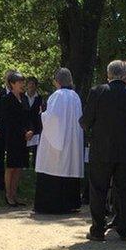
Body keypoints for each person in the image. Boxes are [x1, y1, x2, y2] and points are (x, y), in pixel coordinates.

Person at [81, 60, 126, 241]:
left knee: (98, 190)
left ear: (108, 75)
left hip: (102, 150)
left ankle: (97, 230)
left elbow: (85, 121)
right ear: (125, 75)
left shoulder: (97, 92)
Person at [34, 68, 84, 214]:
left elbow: (53, 117)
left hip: (57, 140)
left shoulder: (57, 95)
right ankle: (69, 203)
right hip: (72, 140)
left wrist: (42, 115)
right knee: (69, 166)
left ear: (57, 81)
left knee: (53, 166)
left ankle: (50, 205)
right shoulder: (75, 96)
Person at [0, 72, 34, 206]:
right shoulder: (6, 99)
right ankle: (8, 195)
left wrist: (30, 130)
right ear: (12, 84)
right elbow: (9, 121)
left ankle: (14, 194)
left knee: (19, 166)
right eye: (19, 82)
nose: (22, 85)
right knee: (11, 166)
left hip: (23, 138)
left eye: (22, 82)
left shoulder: (24, 98)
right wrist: (22, 132)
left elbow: (28, 116)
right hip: (12, 137)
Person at [26, 76, 45, 162]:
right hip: (25, 126)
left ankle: (35, 164)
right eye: (29, 84)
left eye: (33, 84)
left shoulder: (40, 99)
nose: (31, 86)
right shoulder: (22, 97)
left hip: (36, 126)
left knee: (36, 149)